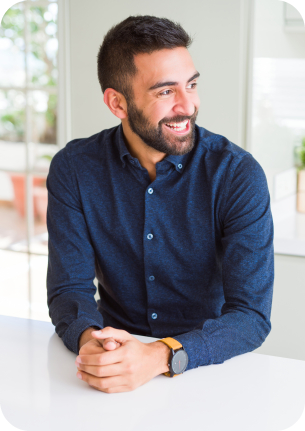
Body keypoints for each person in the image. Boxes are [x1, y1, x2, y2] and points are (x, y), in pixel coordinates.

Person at [46, 15, 274, 394]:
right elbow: (70, 288)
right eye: (165, 92)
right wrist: (93, 344)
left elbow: (250, 316)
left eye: (192, 85)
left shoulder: (238, 175)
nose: (188, 106)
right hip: (113, 356)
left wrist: (158, 357)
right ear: (117, 103)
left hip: (206, 366)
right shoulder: (74, 169)